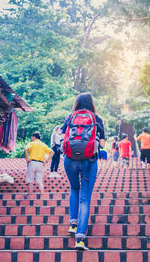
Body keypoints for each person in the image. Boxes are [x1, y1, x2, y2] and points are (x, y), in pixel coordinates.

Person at [61, 92, 105, 251]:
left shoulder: (70, 117)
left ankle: (73, 223)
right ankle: (80, 239)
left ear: (77, 103)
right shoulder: (96, 118)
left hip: (70, 159)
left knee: (74, 188)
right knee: (85, 199)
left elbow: (62, 133)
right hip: (89, 160)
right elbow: (103, 144)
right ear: (91, 103)